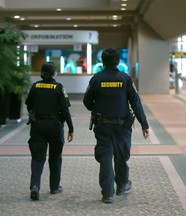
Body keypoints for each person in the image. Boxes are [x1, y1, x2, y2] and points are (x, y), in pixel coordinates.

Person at [83, 48, 149, 204]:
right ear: (118, 61)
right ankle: (121, 185)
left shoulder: (96, 79)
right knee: (121, 156)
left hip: (102, 125)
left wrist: (98, 108)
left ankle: (107, 194)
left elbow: (86, 102)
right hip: (122, 126)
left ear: (103, 61)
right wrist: (144, 124)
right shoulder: (125, 79)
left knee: (106, 157)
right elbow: (136, 103)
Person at [25, 62, 74, 201]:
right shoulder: (59, 87)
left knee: (37, 158)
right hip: (54, 126)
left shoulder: (35, 86)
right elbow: (65, 110)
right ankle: (54, 187)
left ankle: (35, 186)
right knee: (55, 157)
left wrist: (35, 114)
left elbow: (29, 105)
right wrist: (71, 128)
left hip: (37, 126)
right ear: (54, 73)